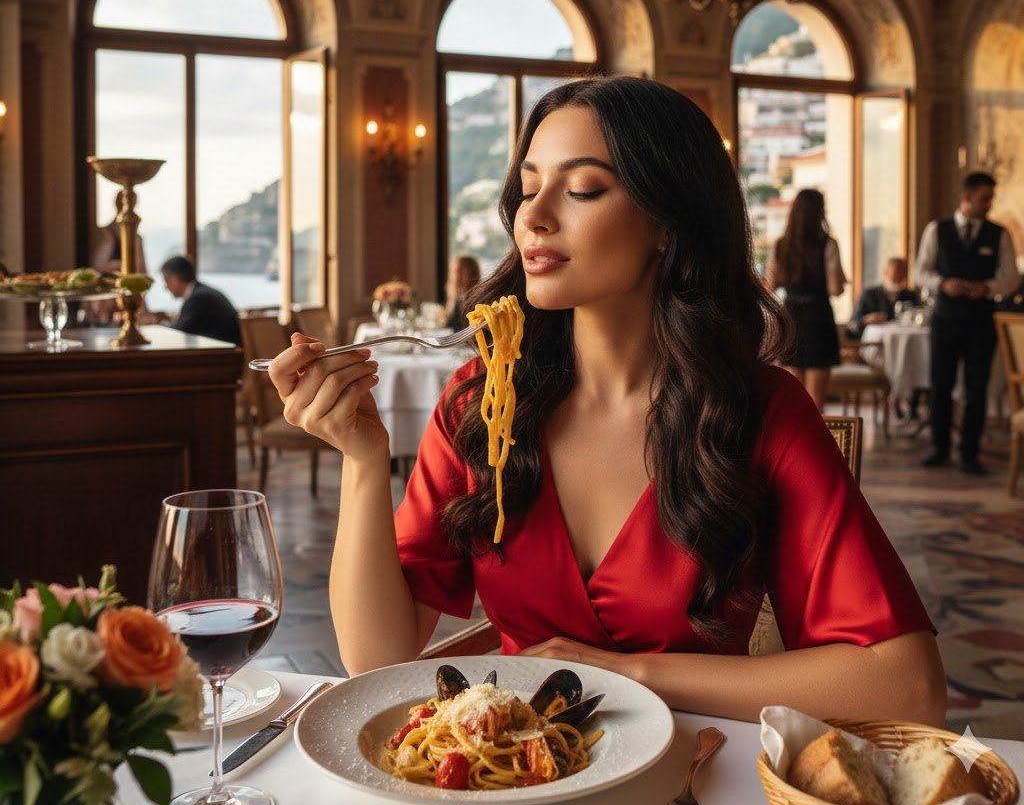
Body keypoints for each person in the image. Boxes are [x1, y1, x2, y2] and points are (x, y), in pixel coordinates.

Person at [267, 77, 944, 724]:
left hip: (692, 771)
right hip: (513, 778)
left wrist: (629, 673)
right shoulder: (482, 403)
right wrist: (363, 460)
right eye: (528, 188)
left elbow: (905, 686)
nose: (533, 216)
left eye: (584, 188)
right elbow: (375, 656)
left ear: (666, 221)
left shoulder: (758, 413)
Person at [915, 172, 1019, 474]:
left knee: (977, 388)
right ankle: (939, 447)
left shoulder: (999, 234)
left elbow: (1011, 277)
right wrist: (943, 283)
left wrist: (990, 286)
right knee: (940, 383)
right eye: (984, 198)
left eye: (991, 199)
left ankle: (970, 453)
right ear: (967, 197)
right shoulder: (937, 229)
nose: (989, 204)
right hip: (945, 318)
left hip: (981, 321)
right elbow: (920, 271)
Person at [765, 189, 847, 412]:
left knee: (793, 399)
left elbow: (770, 285)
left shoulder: (781, 245)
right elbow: (834, 288)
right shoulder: (828, 244)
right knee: (815, 402)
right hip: (818, 317)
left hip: (790, 316)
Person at [157, 255, 241, 346]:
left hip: (226, 354)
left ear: (175, 279)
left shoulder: (198, 298)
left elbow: (178, 332)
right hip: (225, 349)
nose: (165, 287)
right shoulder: (201, 292)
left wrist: (159, 323)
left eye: (166, 281)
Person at [845, 256, 920, 337]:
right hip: (877, 344)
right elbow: (851, 327)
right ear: (886, 272)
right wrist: (867, 320)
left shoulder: (911, 296)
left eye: (902, 273)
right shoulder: (869, 295)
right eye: (895, 273)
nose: (899, 277)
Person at [443, 254, 481, 329]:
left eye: (457, 271)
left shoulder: (478, 300)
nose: (452, 276)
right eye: (451, 271)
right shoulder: (457, 296)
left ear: (471, 274)